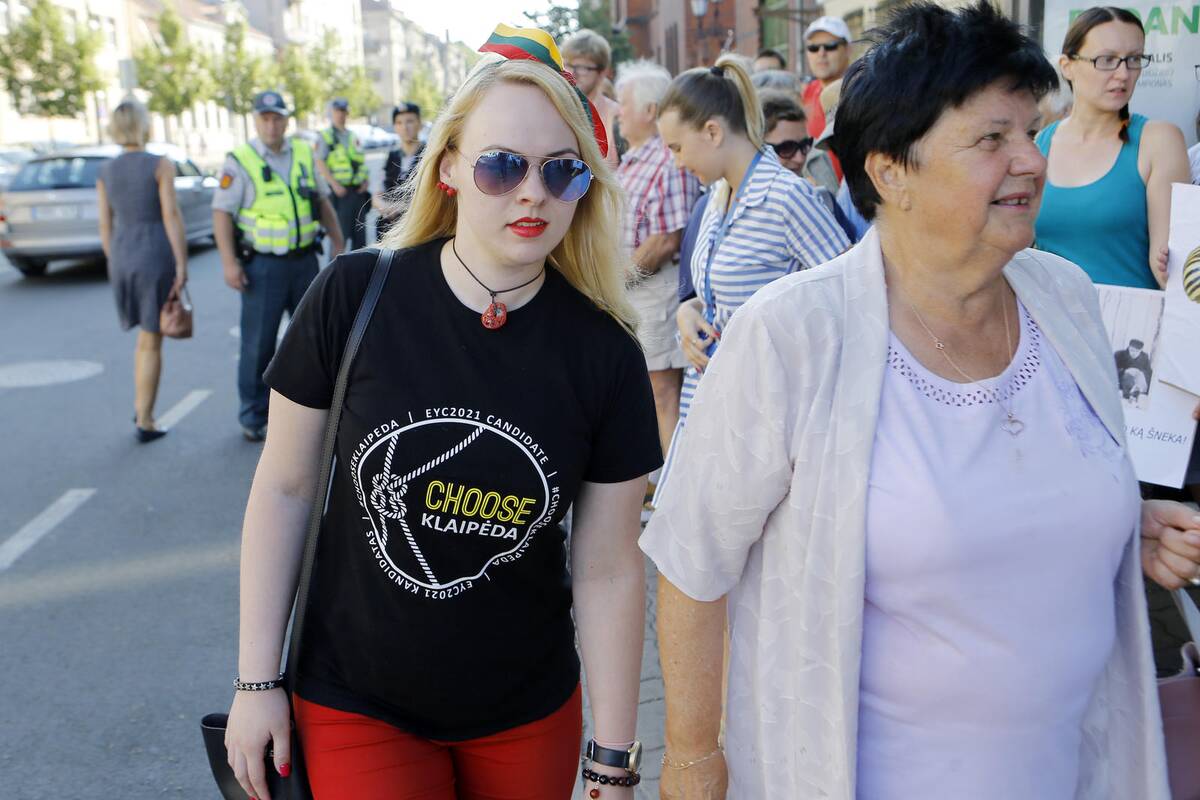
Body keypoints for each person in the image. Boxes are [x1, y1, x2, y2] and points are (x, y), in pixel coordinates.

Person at [641, 3, 1200, 798]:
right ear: (890, 172)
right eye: (992, 139)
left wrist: (1116, 516)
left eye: (1030, 131)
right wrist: (693, 765)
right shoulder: (794, 333)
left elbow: (1012, 493)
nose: (1030, 159)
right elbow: (692, 561)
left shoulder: (1066, 297)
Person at [222, 25, 660, 800]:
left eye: (561, 171)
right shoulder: (355, 296)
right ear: (450, 165)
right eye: (502, 165)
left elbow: (608, 567)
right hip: (358, 701)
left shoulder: (607, 352)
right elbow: (285, 488)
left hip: (527, 712)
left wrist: (613, 759)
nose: (532, 192)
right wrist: (256, 684)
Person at [655, 55, 848, 494]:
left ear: (712, 132)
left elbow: (850, 294)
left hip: (767, 423)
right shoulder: (717, 196)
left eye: (677, 147)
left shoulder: (787, 197)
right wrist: (688, 311)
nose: (676, 162)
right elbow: (721, 294)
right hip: (709, 407)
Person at [212, 90, 345, 442]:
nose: (271, 125)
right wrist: (228, 262)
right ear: (257, 121)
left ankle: (315, 410)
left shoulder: (302, 152)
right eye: (265, 118)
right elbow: (221, 212)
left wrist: (338, 240)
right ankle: (253, 415)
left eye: (277, 118)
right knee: (258, 344)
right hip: (263, 268)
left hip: (304, 262)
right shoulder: (240, 160)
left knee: (314, 339)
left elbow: (321, 201)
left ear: (286, 121)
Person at [1035, 7, 1191, 289]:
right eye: (1107, 60)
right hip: (1048, 313)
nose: (1123, 74)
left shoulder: (1159, 140)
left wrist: (1179, 268)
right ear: (1067, 65)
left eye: (1134, 59)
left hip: (1131, 314)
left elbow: (1171, 271)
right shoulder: (1040, 144)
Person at [615, 59, 702, 497]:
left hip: (655, 290)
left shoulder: (667, 159)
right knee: (649, 391)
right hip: (635, 290)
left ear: (650, 110)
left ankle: (674, 496)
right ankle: (660, 484)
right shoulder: (636, 159)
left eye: (624, 103)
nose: (617, 111)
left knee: (664, 391)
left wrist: (617, 280)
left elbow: (669, 239)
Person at [96, 97, 187, 442]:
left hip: (122, 255)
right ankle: (146, 420)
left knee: (144, 337)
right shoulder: (160, 165)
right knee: (151, 339)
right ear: (144, 125)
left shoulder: (105, 171)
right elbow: (170, 215)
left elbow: (105, 224)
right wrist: (181, 263)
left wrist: (115, 258)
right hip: (154, 254)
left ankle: (141, 406)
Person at [316, 98, 372, 251]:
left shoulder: (353, 136)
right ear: (331, 113)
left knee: (360, 241)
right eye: (337, 111)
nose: (341, 115)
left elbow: (360, 161)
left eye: (343, 111)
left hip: (358, 193)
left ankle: (359, 267)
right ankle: (337, 268)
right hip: (339, 195)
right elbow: (319, 162)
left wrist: (366, 181)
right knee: (340, 240)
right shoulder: (326, 136)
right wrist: (334, 185)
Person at [560, 28, 621, 168]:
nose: (572, 73)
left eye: (583, 67)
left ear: (602, 73)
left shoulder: (616, 116)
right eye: (568, 65)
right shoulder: (553, 110)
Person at [802, 15, 852, 178]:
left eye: (830, 46)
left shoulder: (861, 91)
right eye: (813, 48)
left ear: (848, 49)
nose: (821, 53)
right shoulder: (805, 93)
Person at [378, 101, 425, 235]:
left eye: (409, 121)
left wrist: (402, 208)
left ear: (419, 124)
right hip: (390, 229)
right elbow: (377, 194)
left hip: (419, 227)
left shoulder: (430, 155)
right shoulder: (391, 156)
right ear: (394, 127)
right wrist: (385, 207)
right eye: (399, 123)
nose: (404, 127)